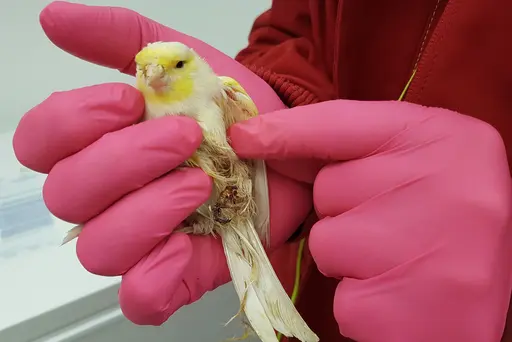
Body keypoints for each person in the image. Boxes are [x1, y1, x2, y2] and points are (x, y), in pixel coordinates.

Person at [12, 1, 512, 341]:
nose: (156, 77)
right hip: (313, 271)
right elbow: (298, 25)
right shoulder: (182, 103)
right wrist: (285, 102)